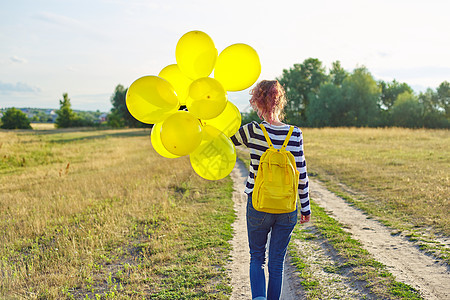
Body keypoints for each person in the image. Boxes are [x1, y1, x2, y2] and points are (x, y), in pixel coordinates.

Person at [231, 80, 311, 300]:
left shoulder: (252, 131)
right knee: (277, 261)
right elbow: (301, 175)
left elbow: (226, 143)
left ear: (257, 101)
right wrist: (305, 207)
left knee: (257, 257)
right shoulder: (295, 133)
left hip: (259, 203)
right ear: (280, 101)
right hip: (286, 207)